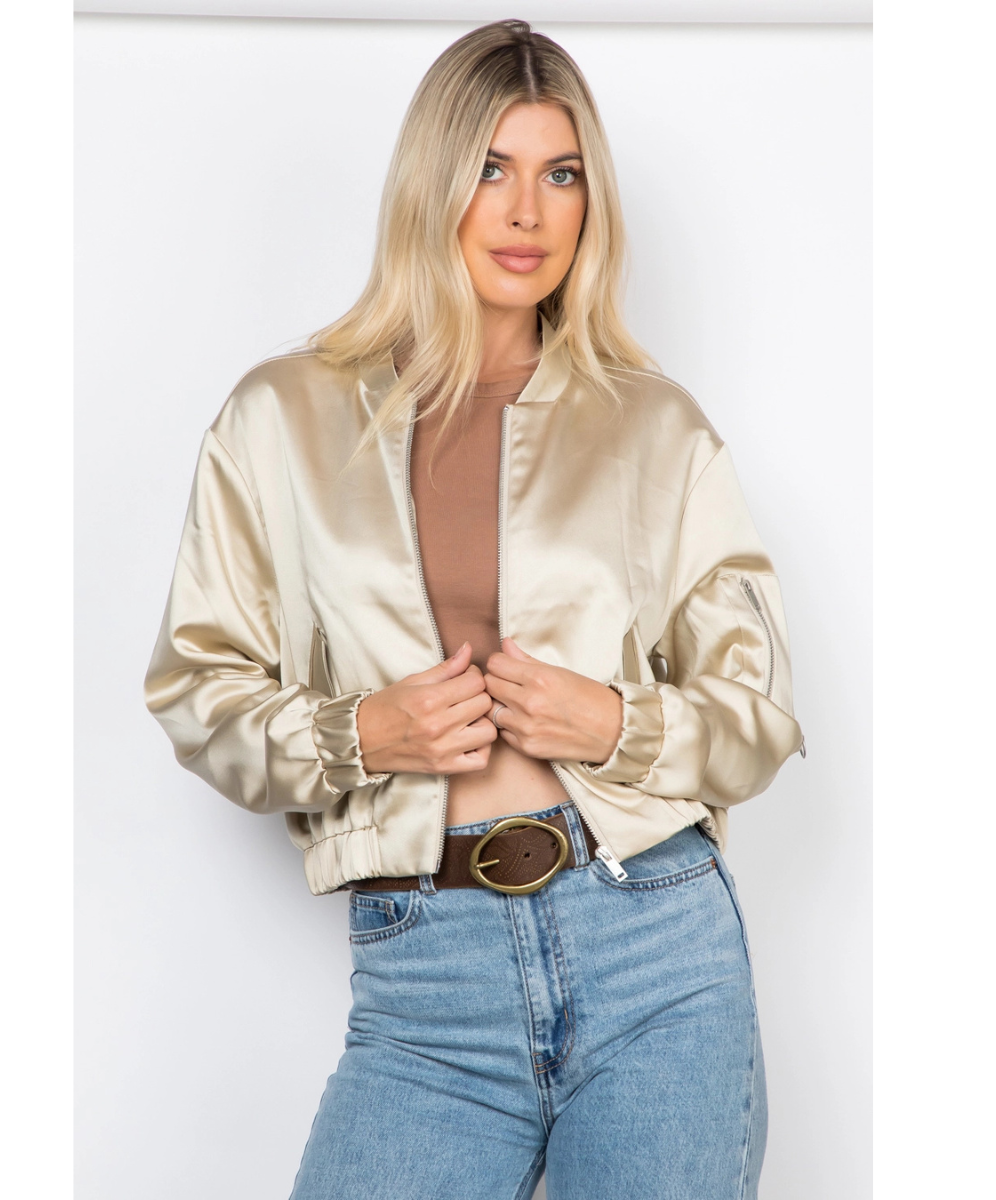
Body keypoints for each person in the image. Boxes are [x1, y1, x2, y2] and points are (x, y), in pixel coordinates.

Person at [144, 19, 804, 1200]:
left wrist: (614, 723)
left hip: (654, 950)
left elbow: (758, 714)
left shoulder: (656, 427)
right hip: (425, 984)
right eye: (493, 168)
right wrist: (362, 733)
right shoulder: (282, 419)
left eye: (563, 175)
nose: (527, 212)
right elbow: (199, 689)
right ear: (432, 181)